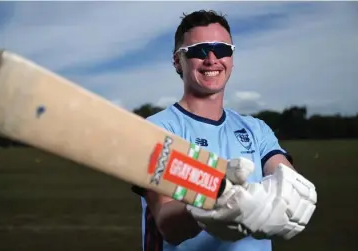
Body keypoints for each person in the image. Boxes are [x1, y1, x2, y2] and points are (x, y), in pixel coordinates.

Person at [132, 9, 316, 251]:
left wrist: (287, 197)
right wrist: (211, 203)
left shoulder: (255, 129)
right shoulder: (158, 129)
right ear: (178, 61)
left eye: (222, 50)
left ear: (231, 58)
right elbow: (168, 227)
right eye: (198, 51)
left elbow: (290, 185)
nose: (211, 59)